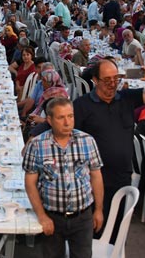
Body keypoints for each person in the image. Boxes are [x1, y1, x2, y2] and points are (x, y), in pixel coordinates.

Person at [73, 59, 145, 222]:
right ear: (95, 80)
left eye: (116, 79)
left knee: (116, 224)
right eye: (107, 80)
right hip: (93, 177)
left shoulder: (126, 98)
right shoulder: (81, 105)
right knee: (94, 225)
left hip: (121, 176)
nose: (112, 84)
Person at [23, 97, 104, 257]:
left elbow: (96, 176)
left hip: (82, 216)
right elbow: (30, 183)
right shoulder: (37, 145)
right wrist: (41, 216)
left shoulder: (87, 141)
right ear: (50, 120)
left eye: (70, 116)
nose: (67, 122)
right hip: (52, 216)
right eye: (61, 117)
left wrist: (99, 210)